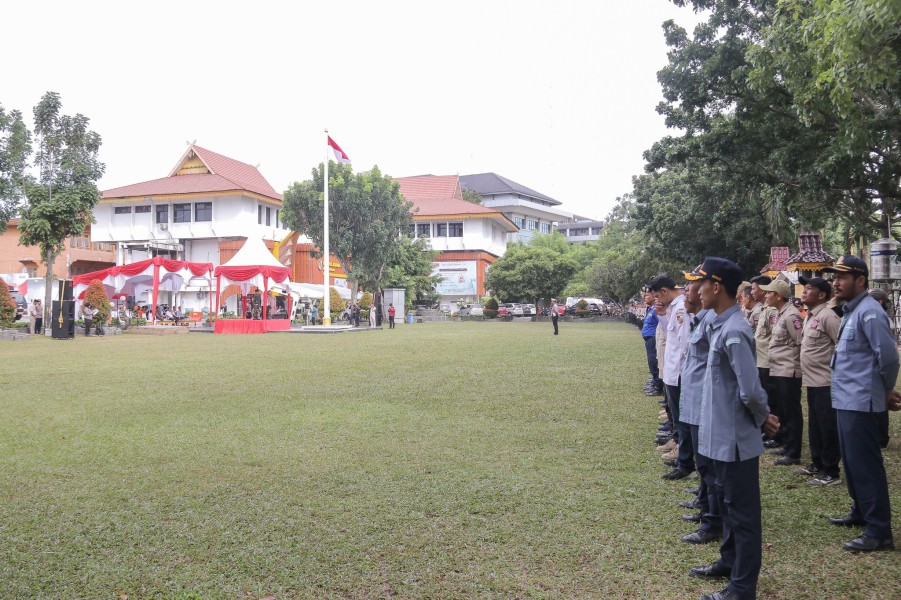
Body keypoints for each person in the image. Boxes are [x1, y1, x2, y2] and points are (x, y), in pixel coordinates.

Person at [689, 257, 779, 600]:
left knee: (743, 515)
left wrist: (763, 418)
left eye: (702, 283)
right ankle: (729, 562)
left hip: (735, 440)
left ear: (717, 286)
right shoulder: (720, 326)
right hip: (720, 436)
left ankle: (743, 587)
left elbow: (751, 390)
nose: (697, 290)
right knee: (729, 507)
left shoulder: (736, 331)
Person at [824, 255, 898, 552]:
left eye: (842, 277)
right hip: (846, 398)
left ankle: (879, 531)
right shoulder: (851, 312)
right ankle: (861, 512)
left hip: (861, 402)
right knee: (852, 463)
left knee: (866, 465)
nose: (836, 282)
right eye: (835, 277)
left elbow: (889, 358)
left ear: (861, 280)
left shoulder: (869, 312)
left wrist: (883, 391)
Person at [678, 277, 720, 545]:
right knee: (705, 467)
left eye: (693, 286)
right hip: (693, 403)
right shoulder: (700, 320)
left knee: (709, 466)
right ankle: (705, 506)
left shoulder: (712, 322)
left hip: (704, 404)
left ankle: (713, 521)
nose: (688, 291)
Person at [648, 275, 694, 481]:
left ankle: (685, 462)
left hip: (680, 371)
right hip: (673, 371)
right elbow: (671, 333)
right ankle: (684, 458)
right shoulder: (673, 308)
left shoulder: (681, 307)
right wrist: (662, 315)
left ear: (665, 291)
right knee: (678, 418)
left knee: (683, 420)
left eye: (658, 295)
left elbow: (685, 344)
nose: (658, 300)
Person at [798, 276, 841, 486]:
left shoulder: (828, 316)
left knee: (827, 426)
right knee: (815, 425)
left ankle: (831, 470)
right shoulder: (810, 315)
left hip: (826, 381)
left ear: (822, 295)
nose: (804, 292)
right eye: (804, 288)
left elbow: (841, 344)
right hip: (812, 381)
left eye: (808, 289)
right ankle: (818, 462)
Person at [757, 279, 803, 466]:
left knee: (792, 412)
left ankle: (794, 452)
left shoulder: (792, 315)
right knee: (783, 410)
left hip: (789, 370)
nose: (766, 296)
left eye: (769, 293)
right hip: (779, 369)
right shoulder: (780, 313)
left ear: (778, 296)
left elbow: (801, 342)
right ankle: (786, 443)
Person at [640, 288, 662, 395]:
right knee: (651, 361)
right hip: (649, 338)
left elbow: (661, 324)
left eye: (647, 295)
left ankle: (658, 386)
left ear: (654, 297)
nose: (645, 297)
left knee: (654, 361)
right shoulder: (651, 309)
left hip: (653, 338)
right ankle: (654, 381)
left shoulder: (656, 310)